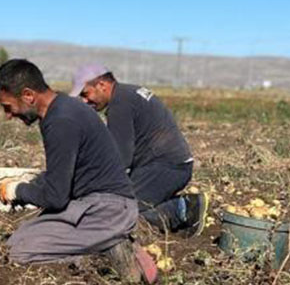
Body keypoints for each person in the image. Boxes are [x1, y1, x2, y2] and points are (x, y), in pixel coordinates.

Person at [0, 59, 157, 284]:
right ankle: (103, 243)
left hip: (107, 210)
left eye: (8, 106)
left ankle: (107, 255)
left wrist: (17, 190)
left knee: (17, 250)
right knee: (26, 232)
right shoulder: (62, 108)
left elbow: (55, 197)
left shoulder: (61, 121)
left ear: (28, 95)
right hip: (97, 204)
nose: (8, 115)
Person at [71, 65, 205, 235]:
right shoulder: (127, 94)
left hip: (166, 168)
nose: (84, 101)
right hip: (168, 165)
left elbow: (121, 158)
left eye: (85, 93)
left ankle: (181, 209)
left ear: (102, 85)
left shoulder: (120, 105)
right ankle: (169, 204)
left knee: (116, 215)